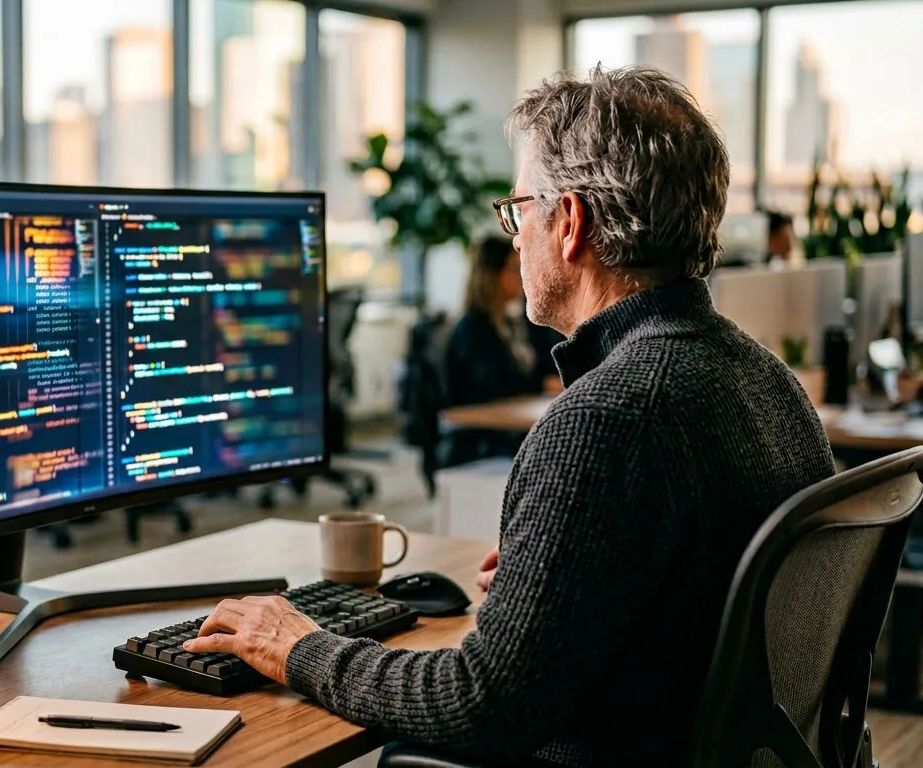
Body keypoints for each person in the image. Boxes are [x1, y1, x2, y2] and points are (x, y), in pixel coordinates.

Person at [181, 65, 836, 767]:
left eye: (519, 209)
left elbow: (478, 705)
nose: (515, 238)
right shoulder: (769, 380)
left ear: (571, 224)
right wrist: (565, 591)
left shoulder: (608, 420)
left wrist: (297, 645)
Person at [444, 236, 563, 463]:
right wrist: (544, 384)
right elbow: (497, 384)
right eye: (514, 268)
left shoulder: (516, 322)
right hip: (482, 440)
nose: (521, 276)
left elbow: (550, 359)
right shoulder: (472, 328)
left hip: (511, 430)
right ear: (492, 275)